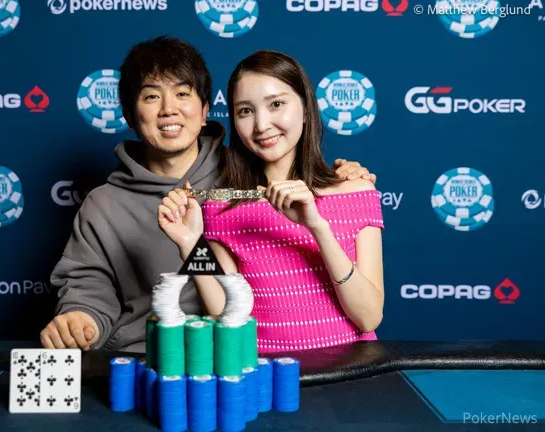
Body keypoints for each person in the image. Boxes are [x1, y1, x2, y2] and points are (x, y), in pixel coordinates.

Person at [40, 37, 377, 353]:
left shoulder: (245, 175)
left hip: (244, 355)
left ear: (205, 111)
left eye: (182, 94)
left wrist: (344, 178)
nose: (169, 109)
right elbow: (88, 286)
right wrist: (79, 319)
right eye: (152, 97)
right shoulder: (104, 205)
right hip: (155, 354)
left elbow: (299, 174)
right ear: (129, 115)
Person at [158, 50, 384, 353]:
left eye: (276, 104)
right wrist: (191, 245)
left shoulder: (356, 191)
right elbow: (226, 315)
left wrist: (317, 226)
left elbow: (369, 318)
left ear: (306, 108)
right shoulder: (223, 206)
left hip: (349, 372)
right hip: (264, 371)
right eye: (245, 111)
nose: (261, 124)